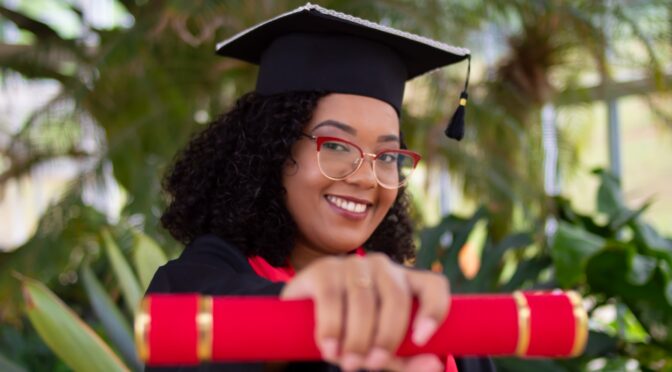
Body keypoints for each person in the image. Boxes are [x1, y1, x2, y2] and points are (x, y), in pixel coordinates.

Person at [146, 3, 494, 372]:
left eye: (388, 155)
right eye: (336, 146)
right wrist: (319, 307)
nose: (364, 177)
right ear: (272, 150)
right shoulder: (194, 285)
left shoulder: (424, 311)